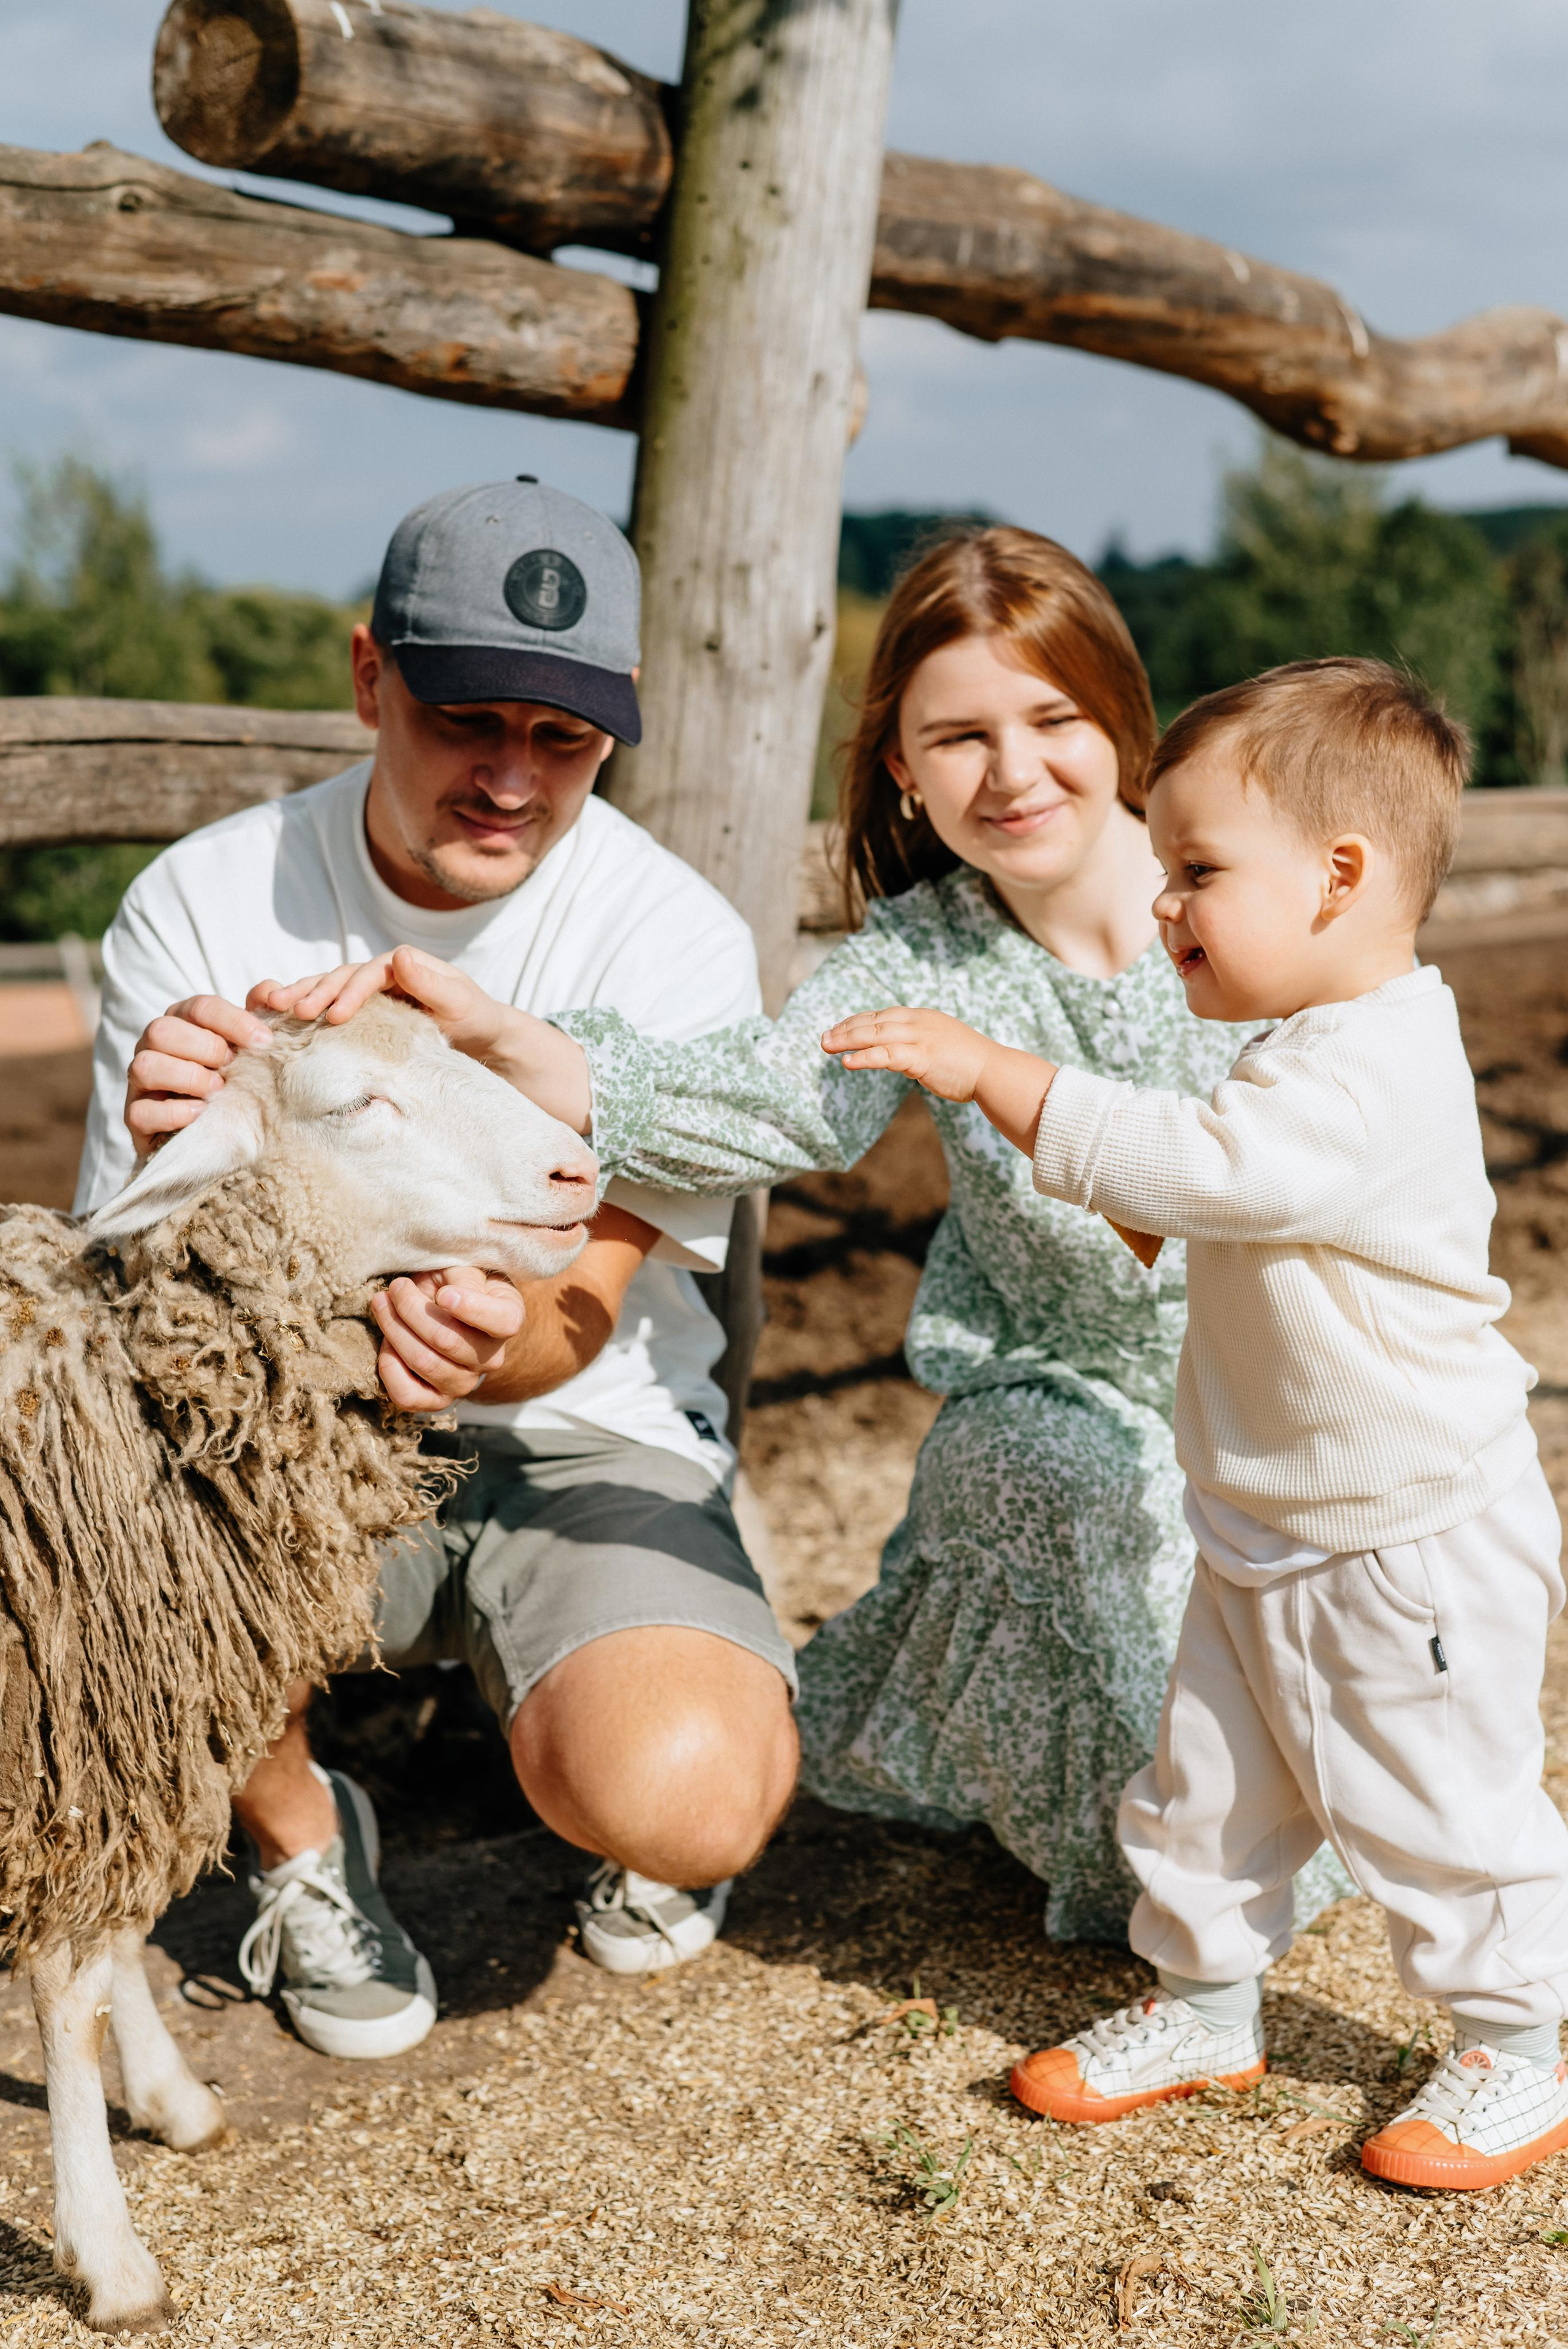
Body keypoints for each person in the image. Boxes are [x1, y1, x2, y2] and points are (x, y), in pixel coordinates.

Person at [299, 527, 1351, 1949]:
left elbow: (1351, 1142)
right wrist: (531, 1051)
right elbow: (774, 1099)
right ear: (903, 768)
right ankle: (1127, 1847)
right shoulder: (917, 959)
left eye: (1051, 720)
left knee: (1323, 1700)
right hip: (1070, 1392)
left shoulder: (1250, 902)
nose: (1014, 772)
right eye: (957, 737)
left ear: (1122, 724)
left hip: (1286, 1384)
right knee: (1035, 1469)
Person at [819, 657, 1568, 2193]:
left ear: (1338, 877)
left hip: (1404, 1535)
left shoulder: (1375, 1059)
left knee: (1435, 1797)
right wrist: (1191, 1234)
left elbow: (1221, 1172)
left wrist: (995, 1072)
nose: (1164, 906)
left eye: (1199, 872)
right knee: (1206, 1787)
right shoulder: (1303, 1044)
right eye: (1164, 872)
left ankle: (1521, 2039)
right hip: (1265, 1513)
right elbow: (1254, 1205)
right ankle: (1204, 2002)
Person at [77, 478, 799, 2060]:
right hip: (287, 1431)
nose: (512, 778)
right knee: (122, 1503)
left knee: (687, 1799)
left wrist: (484, 1347)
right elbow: (143, 1299)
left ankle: (605, 1731)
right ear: (367, 679)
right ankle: (303, 1844)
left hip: (577, 1418)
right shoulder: (205, 904)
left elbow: (585, 1308)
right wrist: (180, 1169)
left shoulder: (666, 936)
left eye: (566, 739)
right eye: (469, 717)